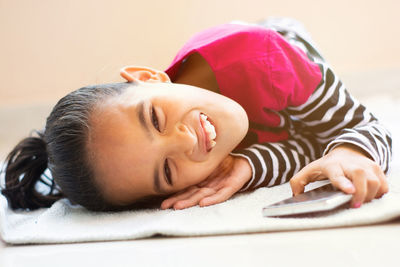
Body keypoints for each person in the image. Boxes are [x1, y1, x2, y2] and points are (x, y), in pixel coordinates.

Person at [1, 18, 392, 212]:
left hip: (279, 45)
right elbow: (303, 147)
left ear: (149, 78)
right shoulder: (210, 155)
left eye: (154, 118)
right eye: (167, 171)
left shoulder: (265, 58)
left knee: (318, 121)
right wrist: (248, 166)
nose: (187, 142)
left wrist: (350, 153)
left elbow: (359, 126)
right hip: (265, 111)